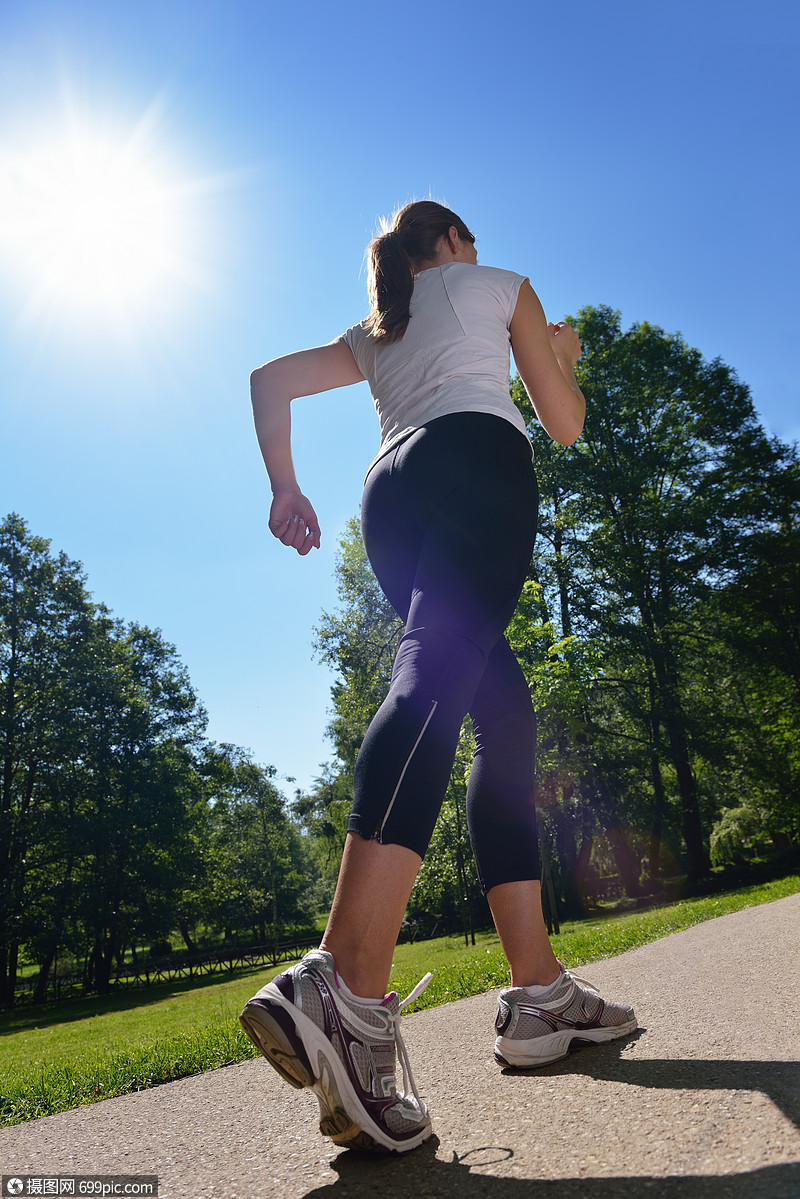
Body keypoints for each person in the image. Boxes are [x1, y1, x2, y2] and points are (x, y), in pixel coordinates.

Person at [239, 201, 636, 1154]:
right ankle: (344, 982)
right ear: (453, 242)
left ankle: (539, 994)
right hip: (475, 460)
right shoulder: (502, 288)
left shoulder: (382, 325)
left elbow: (269, 380)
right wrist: (558, 350)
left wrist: (285, 487)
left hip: (391, 493)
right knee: (438, 675)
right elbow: (567, 424)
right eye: (471, 243)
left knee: (503, 716)